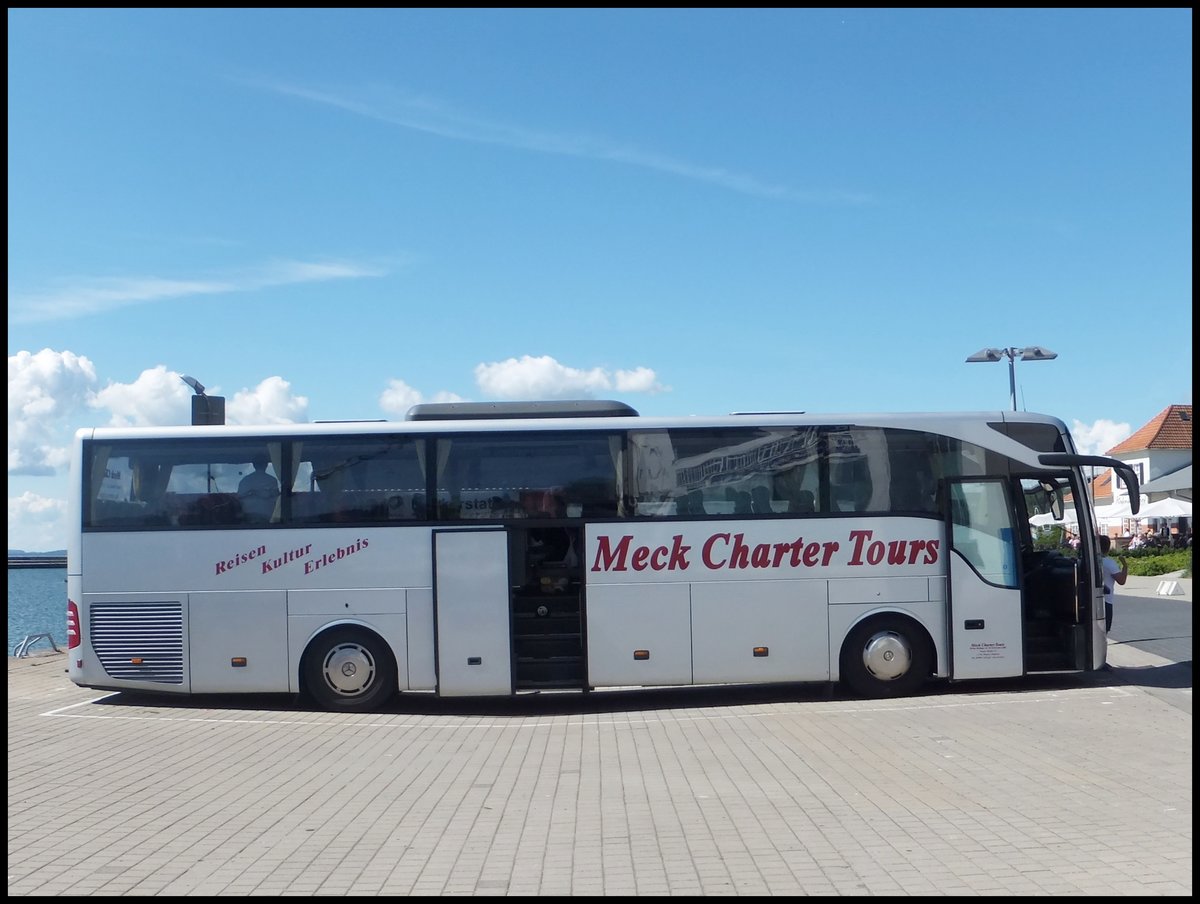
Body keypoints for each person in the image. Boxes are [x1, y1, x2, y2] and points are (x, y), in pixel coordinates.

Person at [1098, 535, 1128, 633]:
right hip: (1106, 600)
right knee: (1103, 631)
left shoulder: (1092, 561)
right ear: (1108, 548)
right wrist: (1125, 566)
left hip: (1091, 600)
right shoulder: (1109, 563)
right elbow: (1122, 581)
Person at [238, 454, 280, 522]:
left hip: (249, 517)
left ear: (254, 465)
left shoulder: (245, 480)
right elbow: (277, 498)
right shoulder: (272, 480)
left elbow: (239, 498)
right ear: (266, 465)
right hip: (267, 517)